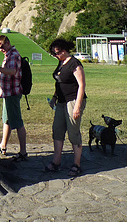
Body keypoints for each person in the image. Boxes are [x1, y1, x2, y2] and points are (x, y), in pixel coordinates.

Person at [45, 38, 86, 177]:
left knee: (73, 131)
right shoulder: (61, 63)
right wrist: (55, 97)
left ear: (64, 50)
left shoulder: (74, 63)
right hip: (61, 102)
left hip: (73, 100)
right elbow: (59, 82)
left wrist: (78, 106)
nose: (55, 55)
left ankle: (77, 164)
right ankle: (56, 162)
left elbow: (81, 85)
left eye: (56, 53)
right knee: (57, 129)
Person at [0, 35, 28, 161]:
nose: (1, 49)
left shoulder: (13, 55)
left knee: (17, 122)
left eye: (2, 46)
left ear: (8, 42)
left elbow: (12, 71)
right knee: (7, 120)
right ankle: (3, 146)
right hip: (7, 93)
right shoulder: (8, 55)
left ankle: (23, 152)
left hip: (12, 93)